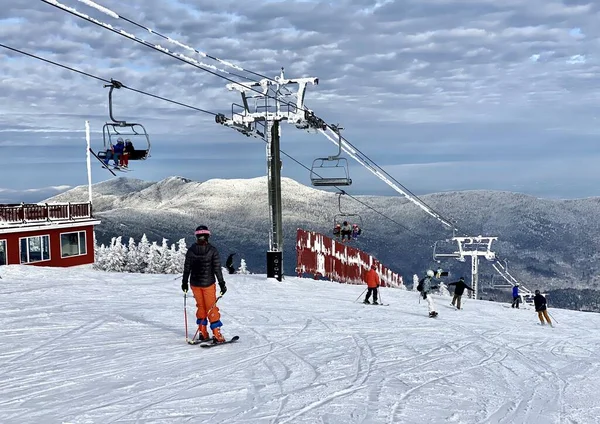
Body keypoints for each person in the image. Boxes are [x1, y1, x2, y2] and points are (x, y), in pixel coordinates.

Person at [181, 225, 228, 343]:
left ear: (197, 236)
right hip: (208, 284)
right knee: (211, 307)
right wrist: (222, 284)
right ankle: (217, 334)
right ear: (208, 236)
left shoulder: (191, 250)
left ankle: (203, 333)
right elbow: (217, 269)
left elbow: (187, 268)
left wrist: (184, 283)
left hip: (194, 284)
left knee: (201, 307)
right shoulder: (212, 250)